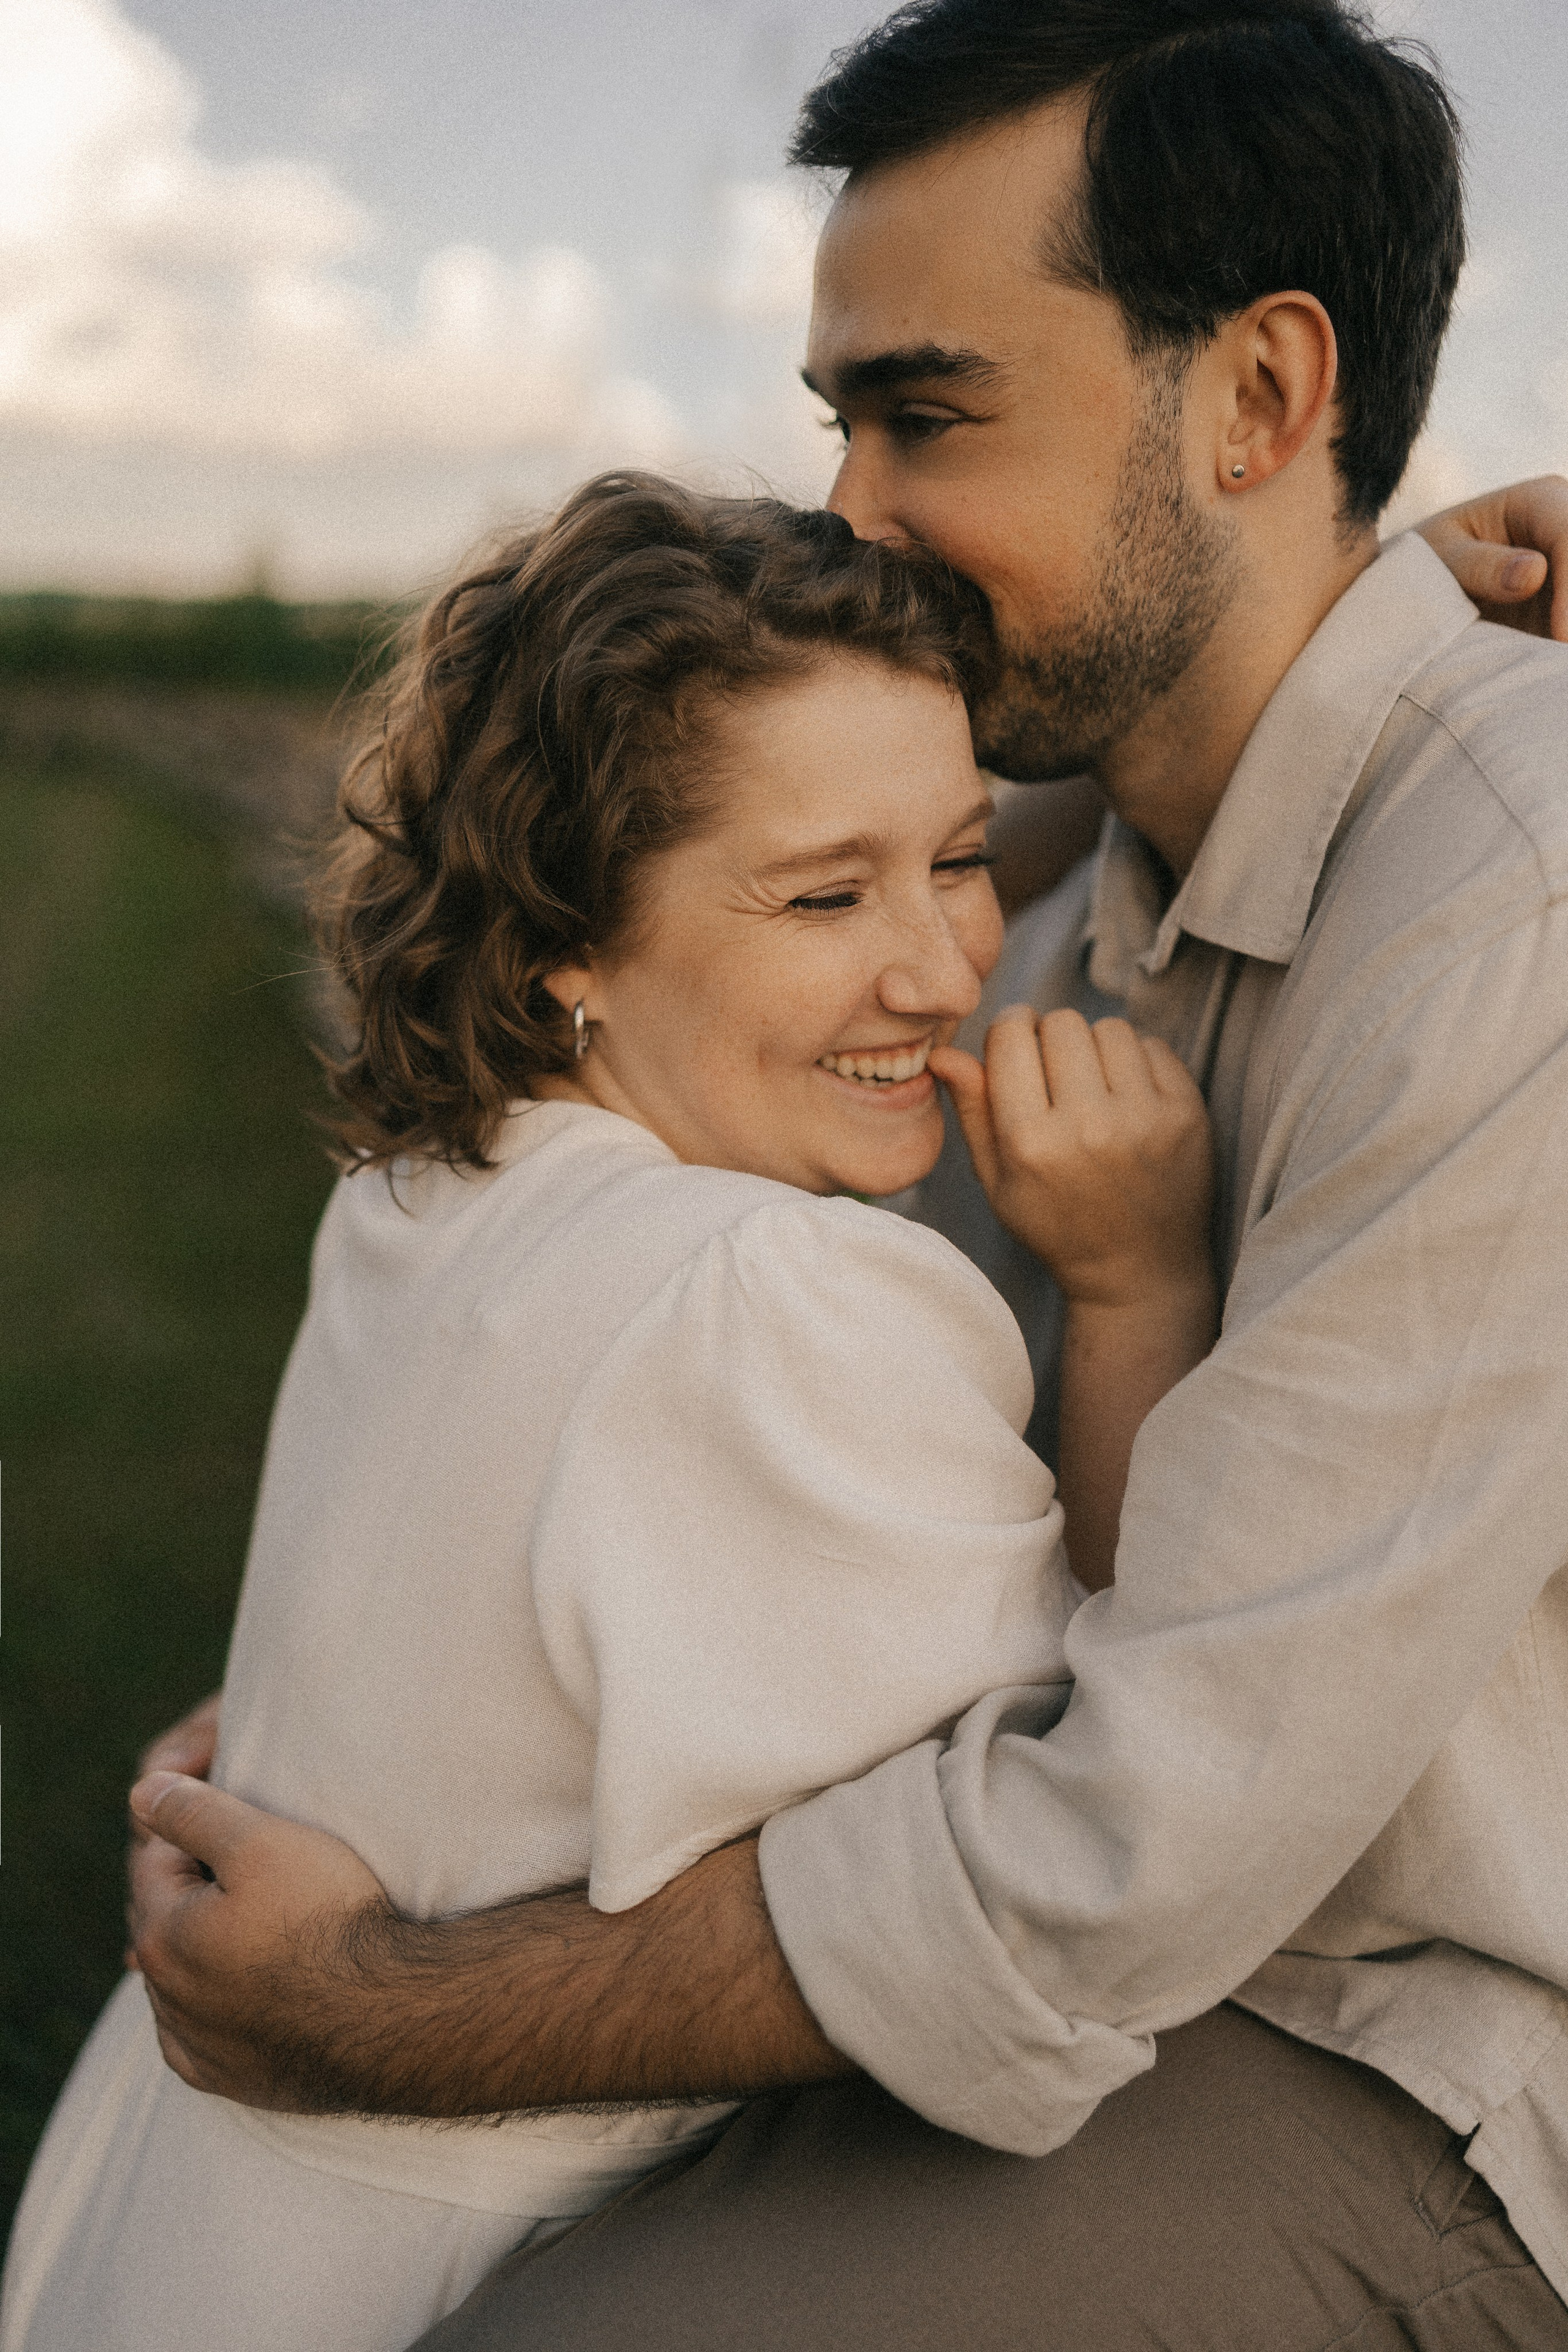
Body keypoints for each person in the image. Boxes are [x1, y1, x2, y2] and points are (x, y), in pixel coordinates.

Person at [79, 1, 1568, 2345]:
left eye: (928, 412)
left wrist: (376, 1996)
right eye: (839, 421)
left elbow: (1110, 1850)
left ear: (1264, 402)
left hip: (1415, 2057)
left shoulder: (1517, 915)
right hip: (1131, 1962)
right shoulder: (1064, 858)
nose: (852, 508)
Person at [0, 474, 1222, 2351]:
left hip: (184, 2220)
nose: (945, 965)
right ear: (566, 933)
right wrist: (1140, 1289)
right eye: (827, 894)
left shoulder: (426, 1192)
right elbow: (1106, 1830)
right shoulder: (784, 1297)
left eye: (964, 857)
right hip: (476, 2276)